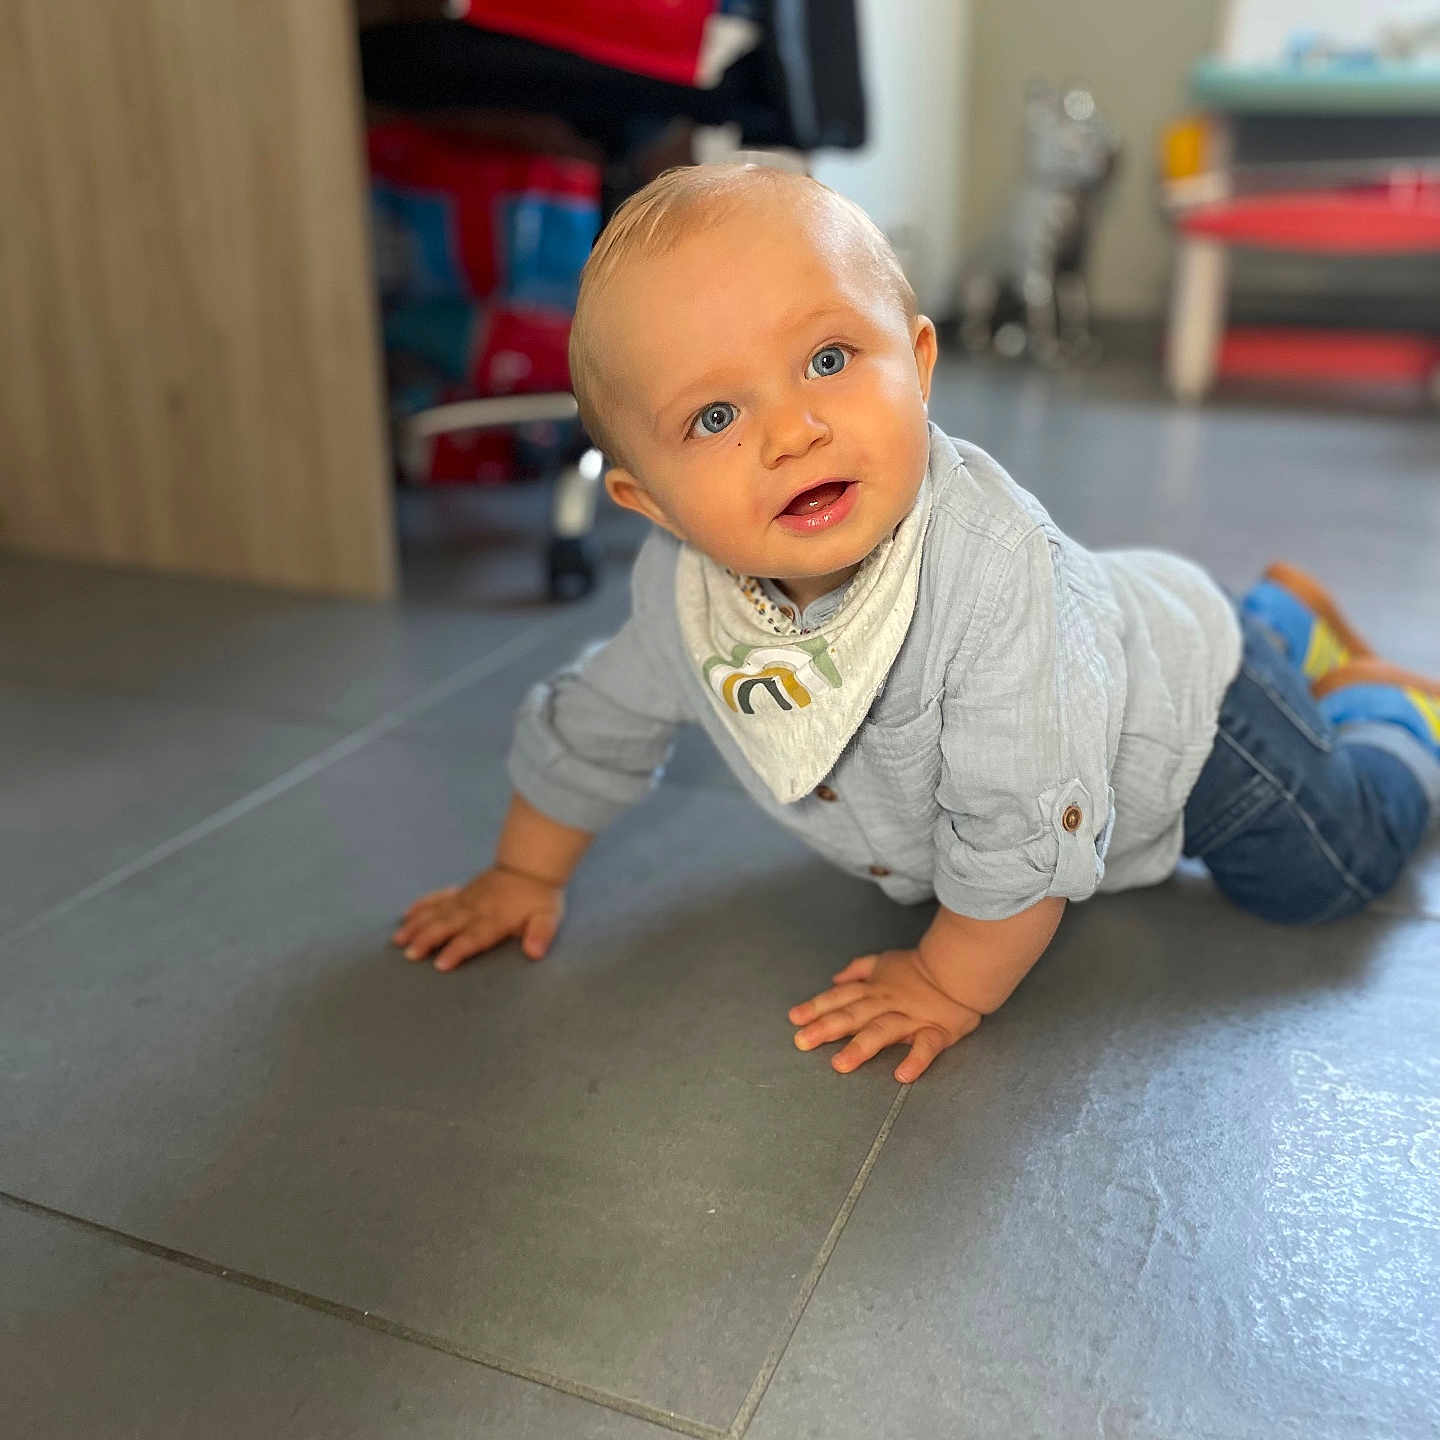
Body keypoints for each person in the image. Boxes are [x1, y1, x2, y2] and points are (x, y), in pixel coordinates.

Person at [391, 165, 1440, 1083]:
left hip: (1204, 725)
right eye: (715, 418)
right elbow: (600, 722)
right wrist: (524, 873)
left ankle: (1386, 706)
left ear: (920, 362)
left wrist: (949, 981)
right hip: (1116, 618)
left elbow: (1018, 824)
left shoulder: (989, 578)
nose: (793, 432)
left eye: (831, 359)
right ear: (650, 505)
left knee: (1325, 876)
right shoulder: (684, 597)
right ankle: (1282, 616)